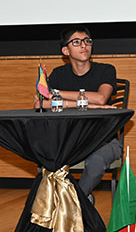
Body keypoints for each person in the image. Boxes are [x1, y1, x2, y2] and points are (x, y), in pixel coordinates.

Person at [33, 26, 121, 201]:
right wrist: (89, 106)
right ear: (65, 51)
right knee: (44, 157)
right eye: (76, 42)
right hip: (70, 140)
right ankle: (79, 200)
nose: (84, 45)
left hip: (103, 140)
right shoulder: (59, 74)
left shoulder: (106, 70)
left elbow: (101, 98)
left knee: (96, 161)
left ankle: (75, 201)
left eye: (87, 41)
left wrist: (58, 94)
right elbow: (40, 103)